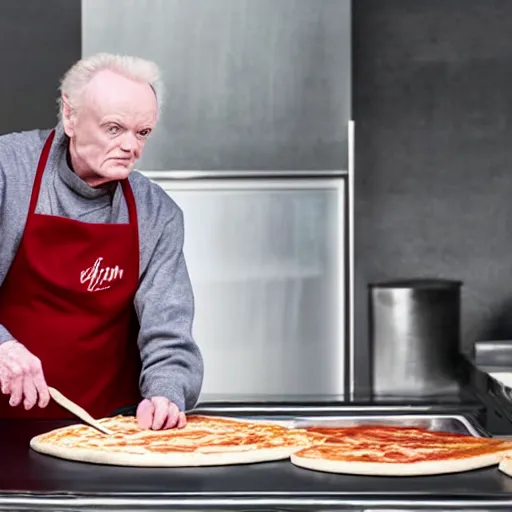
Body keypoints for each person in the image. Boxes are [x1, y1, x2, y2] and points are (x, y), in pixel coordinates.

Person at [0, 53, 204, 430]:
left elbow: (170, 332)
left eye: (142, 133)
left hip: (107, 429)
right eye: (114, 128)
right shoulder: (8, 171)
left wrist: (166, 393)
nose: (131, 147)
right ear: (70, 116)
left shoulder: (157, 213)